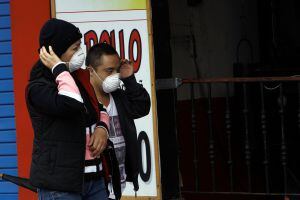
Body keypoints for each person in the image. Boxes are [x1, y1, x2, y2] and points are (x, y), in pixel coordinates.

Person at [26, 18, 111, 200]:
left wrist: (102, 128)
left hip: (94, 181)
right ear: (55, 52)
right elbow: (71, 102)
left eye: (80, 46)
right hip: (61, 186)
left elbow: (100, 106)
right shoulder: (38, 87)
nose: (80, 53)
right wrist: (58, 68)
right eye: (75, 48)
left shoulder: (79, 78)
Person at [86, 43, 151, 199]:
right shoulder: (82, 100)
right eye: (109, 71)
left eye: (117, 70)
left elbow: (142, 107)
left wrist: (129, 79)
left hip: (118, 182)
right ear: (91, 71)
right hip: (93, 184)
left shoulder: (119, 97)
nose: (115, 75)